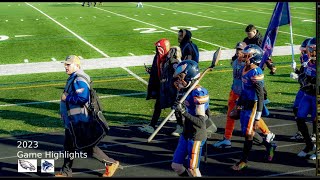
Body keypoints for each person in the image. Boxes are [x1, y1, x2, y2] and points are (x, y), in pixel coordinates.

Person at [55, 55, 119, 177]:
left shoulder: (79, 79)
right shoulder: (74, 78)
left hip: (79, 121)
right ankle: (66, 172)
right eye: (65, 64)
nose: (65, 67)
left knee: (87, 147)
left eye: (68, 64)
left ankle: (110, 163)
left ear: (77, 66)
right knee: (69, 146)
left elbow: (82, 98)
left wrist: (66, 97)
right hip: (73, 121)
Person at [212, 42, 275, 149]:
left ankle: (267, 133)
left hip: (246, 96)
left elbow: (261, 65)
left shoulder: (249, 66)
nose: (239, 52)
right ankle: (227, 139)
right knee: (231, 116)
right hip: (235, 92)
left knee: (251, 120)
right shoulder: (235, 61)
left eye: (241, 50)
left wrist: (270, 65)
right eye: (237, 49)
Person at [231, 44, 277, 171]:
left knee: (248, 134)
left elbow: (260, 96)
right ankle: (269, 146)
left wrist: (258, 117)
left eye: (247, 55)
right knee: (247, 132)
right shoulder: (245, 68)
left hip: (253, 104)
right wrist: (238, 104)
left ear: (254, 57)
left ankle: (243, 160)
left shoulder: (256, 72)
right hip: (245, 102)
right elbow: (244, 89)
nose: (244, 57)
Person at [171, 60, 210, 177]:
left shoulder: (198, 93)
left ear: (190, 76)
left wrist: (182, 111)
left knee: (193, 169)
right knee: (176, 166)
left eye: (181, 77)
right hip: (186, 131)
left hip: (196, 135)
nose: (178, 80)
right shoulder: (187, 90)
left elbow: (200, 122)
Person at [138, 40, 184, 135]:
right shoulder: (160, 58)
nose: (157, 50)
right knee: (158, 106)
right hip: (163, 86)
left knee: (176, 106)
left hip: (172, 87)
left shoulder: (172, 60)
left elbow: (179, 69)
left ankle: (181, 127)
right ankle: (152, 126)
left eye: (158, 48)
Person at [295, 37, 317, 160]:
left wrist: (310, 84)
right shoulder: (309, 62)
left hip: (316, 97)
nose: (311, 51)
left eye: (313, 49)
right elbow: (304, 77)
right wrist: (299, 76)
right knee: (300, 118)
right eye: (310, 48)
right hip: (307, 95)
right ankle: (309, 145)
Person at [290, 38, 316, 142]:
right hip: (305, 90)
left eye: (305, 51)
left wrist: (299, 77)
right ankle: (302, 133)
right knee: (296, 109)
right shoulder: (306, 59)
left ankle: (314, 133)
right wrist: (296, 71)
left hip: (311, 91)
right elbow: (303, 74)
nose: (303, 53)